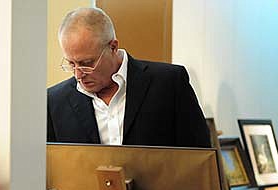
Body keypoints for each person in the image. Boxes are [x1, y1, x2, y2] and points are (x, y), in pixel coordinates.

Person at [47, 7, 210, 147]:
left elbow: (200, 159)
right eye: (71, 64)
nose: (78, 74)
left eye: (87, 63)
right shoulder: (54, 101)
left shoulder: (169, 84)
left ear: (113, 47)